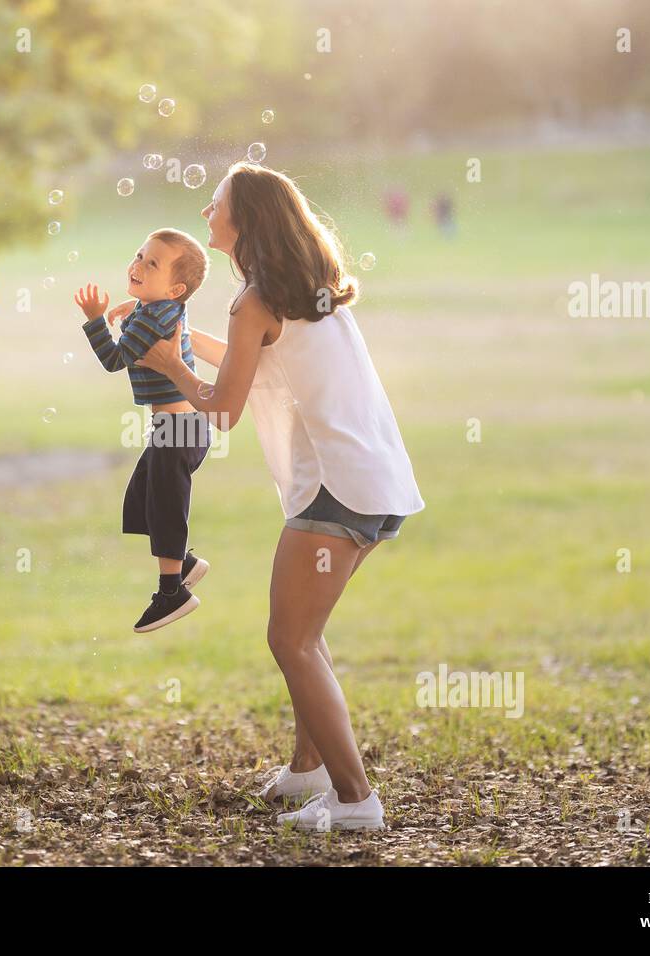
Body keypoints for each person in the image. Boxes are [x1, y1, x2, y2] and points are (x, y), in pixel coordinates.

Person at [136, 163, 425, 830]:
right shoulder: (298, 291)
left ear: (245, 221)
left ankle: (356, 800)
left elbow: (222, 407)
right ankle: (307, 770)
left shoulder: (255, 300)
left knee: (289, 640)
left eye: (217, 204)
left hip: (336, 488)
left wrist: (169, 364)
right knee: (307, 635)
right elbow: (246, 356)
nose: (206, 212)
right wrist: (173, 337)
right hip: (375, 481)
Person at [74, 229, 213, 633]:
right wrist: (132, 304)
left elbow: (115, 359)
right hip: (178, 426)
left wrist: (96, 320)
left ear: (176, 287)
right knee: (142, 497)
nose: (137, 265)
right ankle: (185, 562)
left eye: (151, 264)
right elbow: (152, 311)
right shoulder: (166, 307)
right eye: (139, 255)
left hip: (180, 429)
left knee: (166, 505)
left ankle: (172, 591)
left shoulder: (154, 317)